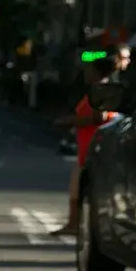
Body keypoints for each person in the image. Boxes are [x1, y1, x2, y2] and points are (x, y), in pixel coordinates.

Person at [53, 56, 118, 236]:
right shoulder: (96, 90)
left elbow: (100, 116)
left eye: (89, 69)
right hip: (86, 148)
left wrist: (71, 121)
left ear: (97, 71)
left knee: (89, 189)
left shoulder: (102, 91)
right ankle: (74, 223)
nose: (86, 72)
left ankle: (84, 225)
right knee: (76, 188)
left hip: (94, 148)